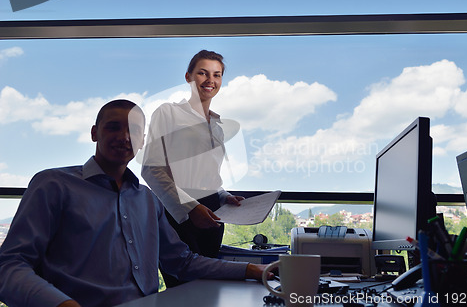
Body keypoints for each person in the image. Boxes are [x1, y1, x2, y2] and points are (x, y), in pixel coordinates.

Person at [0, 99, 268, 307]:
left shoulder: (148, 200)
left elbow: (183, 262)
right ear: (95, 133)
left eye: (134, 130)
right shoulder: (54, 185)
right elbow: (9, 265)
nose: (124, 136)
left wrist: (253, 270)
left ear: (142, 142)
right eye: (113, 126)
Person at [141, 50, 244, 260]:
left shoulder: (217, 126)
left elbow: (208, 175)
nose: (210, 80)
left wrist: (224, 196)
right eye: (203, 73)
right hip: (177, 212)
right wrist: (191, 207)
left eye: (217, 75)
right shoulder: (168, 113)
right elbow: (152, 169)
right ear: (188, 77)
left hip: (213, 213)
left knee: (208, 281)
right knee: (181, 283)